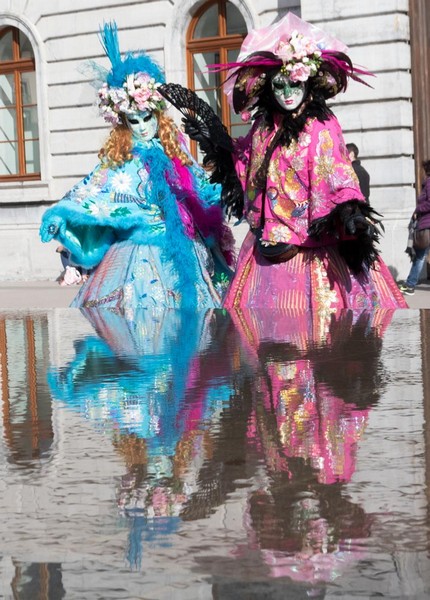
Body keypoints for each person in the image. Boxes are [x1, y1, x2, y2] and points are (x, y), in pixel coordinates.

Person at [160, 12, 407, 311]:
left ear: (308, 83)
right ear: (267, 88)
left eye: (294, 84)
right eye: (279, 86)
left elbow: (339, 174)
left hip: (314, 249)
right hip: (269, 248)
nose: (287, 93)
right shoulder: (262, 128)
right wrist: (212, 141)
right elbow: (243, 164)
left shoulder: (323, 126)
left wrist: (350, 213)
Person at [39, 22, 234, 311]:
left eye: (147, 118)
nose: (142, 127)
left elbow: (200, 185)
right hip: (136, 253)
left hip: (185, 246)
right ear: (123, 122)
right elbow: (93, 192)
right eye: (135, 120)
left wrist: (228, 189)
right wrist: (61, 217)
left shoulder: (175, 150)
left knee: (196, 321)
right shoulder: (119, 159)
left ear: (158, 115)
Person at [397, 159, 430, 295]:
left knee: (420, 256)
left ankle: (410, 285)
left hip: (428, 224)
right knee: (421, 256)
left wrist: (418, 209)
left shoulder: (429, 182)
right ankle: (410, 284)